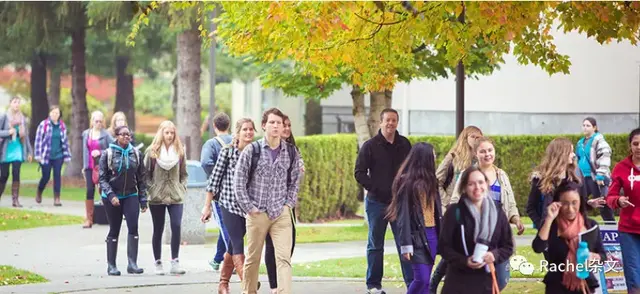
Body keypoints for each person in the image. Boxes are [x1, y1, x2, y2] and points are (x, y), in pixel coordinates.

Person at [234, 108, 302, 294]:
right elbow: (238, 181)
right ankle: (249, 291)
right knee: (253, 259)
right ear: (264, 125)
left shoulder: (291, 152)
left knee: (284, 259)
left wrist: (288, 204)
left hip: (281, 213)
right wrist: (249, 207)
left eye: (279, 123)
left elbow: (295, 180)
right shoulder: (252, 150)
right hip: (257, 213)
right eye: (272, 122)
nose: (275, 126)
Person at [449, 136, 525, 290]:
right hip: (475, 234)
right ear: (476, 154)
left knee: (502, 278)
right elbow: (455, 201)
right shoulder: (467, 174)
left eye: (490, 150)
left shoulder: (501, 175)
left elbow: (510, 202)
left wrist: (516, 220)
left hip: (499, 235)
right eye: (482, 151)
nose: (487, 154)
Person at [354, 108, 413, 293]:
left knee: (405, 244)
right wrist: (376, 188)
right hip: (376, 203)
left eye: (394, 120)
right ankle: (373, 285)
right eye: (387, 120)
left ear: (397, 122)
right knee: (375, 245)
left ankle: (412, 284)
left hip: (399, 203)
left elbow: (411, 170)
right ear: (381, 122)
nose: (390, 123)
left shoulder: (404, 144)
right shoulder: (370, 146)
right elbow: (359, 173)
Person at [201, 118, 257, 294]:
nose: (248, 132)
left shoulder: (256, 153)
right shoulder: (228, 152)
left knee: (232, 246)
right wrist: (207, 206)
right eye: (245, 129)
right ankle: (249, 285)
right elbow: (214, 181)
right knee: (238, 243)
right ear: (237, 133)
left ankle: (223, 283)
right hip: (228, 204)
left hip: (247, 207)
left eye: (251, 129)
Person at [437, 167, 514, 294]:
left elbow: (508, 246)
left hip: (485, 283)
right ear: (464, 188)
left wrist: (494, 255)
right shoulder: (454, 212)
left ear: (486, 184)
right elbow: (443, 247)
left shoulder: (497, 212)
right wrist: (464, 261)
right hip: (458, 283)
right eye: (471, 184)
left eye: (480, 182)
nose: (477, 187)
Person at [430, 125, 483, 294]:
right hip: (455, 210)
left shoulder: (482, 157)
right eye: (473, 136)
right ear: (465, 137)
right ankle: (434, 283)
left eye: (479, 137)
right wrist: (446, 201)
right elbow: (436, 180)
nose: (476, 140)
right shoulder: (454, 157)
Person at [386, 142, 442, 294]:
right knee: (421, 279)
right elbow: (402, 215)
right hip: (416, 237)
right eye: (433, 154)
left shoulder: (432, 181)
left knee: (425, 282)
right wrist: (406, 244)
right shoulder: (406, 182)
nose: (435, 157)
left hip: (432, 235)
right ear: (424, 158)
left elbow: (437, 212)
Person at [533, 182, 606, 294]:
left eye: (574, 203)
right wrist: (549, 218)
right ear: (558, 203)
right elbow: (538, 247)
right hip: (557, 285)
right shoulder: (552, 225)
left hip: (584, 284)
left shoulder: (590, 225)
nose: (570, 209)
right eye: (565, 203)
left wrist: (594, 257)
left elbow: (603, 256)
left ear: (580, 202)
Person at [99, 125, 147, 276]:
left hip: (131, 195)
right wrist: (111, 195)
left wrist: (143, 199)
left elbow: (141, 178)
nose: (127, 137)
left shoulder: (136, 154)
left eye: (129, 135)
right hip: (112, 197)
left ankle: (132, 264)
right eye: (123, 134)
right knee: (114, 229)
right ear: (117, 136)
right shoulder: (108, 154)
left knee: (133, 227)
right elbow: (102, 179)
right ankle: (111, 265)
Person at [264, 114, 305, 294]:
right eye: (282, 124)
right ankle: (275, 286)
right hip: (268, 206)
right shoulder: (266, 149)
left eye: (288, 125)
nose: (286, 128)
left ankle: (282, 283)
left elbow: (297, 177)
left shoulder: (292, 150)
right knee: (271, 245)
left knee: (289, 244)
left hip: (287, 206)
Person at [144, 121, 187, 275]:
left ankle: (175, 261)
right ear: (161, 133)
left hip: (176, 195)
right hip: (157, 196)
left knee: (176, 226)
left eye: (172, 133)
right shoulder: (152, 151)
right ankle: (157, 262)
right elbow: (146, 174)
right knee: (158, 228)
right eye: (167, 132)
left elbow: (184, 173)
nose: (169, 135)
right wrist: (151, 188)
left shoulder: (180, 151)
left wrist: (182, 187)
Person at [606, 127, 640, 294]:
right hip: (629, 230)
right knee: (633, 274)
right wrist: (618, 201)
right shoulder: (621, 168)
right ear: (630, 146)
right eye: (636, 143)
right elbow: (610, 197)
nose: (639, 147)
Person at [526, 138, 588, 230]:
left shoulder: (576, 176)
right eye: (570, 152)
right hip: (549, 235)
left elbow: (582, 205)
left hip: (572, 232)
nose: (574, 155)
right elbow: (531, 207)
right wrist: (542, 227)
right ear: (561, 154)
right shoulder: (540, 178)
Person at [200, 112, 233, 271]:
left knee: (225, 225)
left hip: (219, 193)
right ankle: (217, 259)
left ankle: (234, 259)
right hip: (234, 190)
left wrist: (216, 175)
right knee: (226, 225)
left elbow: (206, 162)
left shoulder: (211, 144)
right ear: (229, 125)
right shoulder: (236, 141)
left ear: (214, 126)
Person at [575, 117, 615, 222]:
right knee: (579, 200)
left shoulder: (599, 140)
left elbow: (605, 157)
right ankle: (578, 225)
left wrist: (600, 175)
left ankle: (611, 227)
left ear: (594, 127)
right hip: (583, 177)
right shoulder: (580, 143)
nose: (585, 128)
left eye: (588, 125)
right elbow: (577, 158)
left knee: (602, 203)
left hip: (596, 177)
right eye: (583, 125)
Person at [34, 105, 71, 206]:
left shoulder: (62, 126)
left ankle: (57, 198)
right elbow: (38, 140)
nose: (55, 115)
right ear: (50, 113)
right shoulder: (44, 125)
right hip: (46, 156)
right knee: (46, 176)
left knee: (57, 176)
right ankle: (39, 191)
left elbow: (65, 142)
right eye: (53, 113)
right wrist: (38, 156)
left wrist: (67, 156)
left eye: (57, 113)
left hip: (58, 156)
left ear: (59, 115)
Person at [82, 111, 113, 228]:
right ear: (92, 121)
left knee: (103, 190)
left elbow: (113, 148)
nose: (98, 123)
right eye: (96, 121)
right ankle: (89, 219)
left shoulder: (106, 135)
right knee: (90, 190)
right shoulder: (86, 134)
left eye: (100, 121)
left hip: (101, 166)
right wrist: (84, 167)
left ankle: (109, 216)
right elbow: (84, 151)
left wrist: (100, 152)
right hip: (89, 167)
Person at [0, 97, 33, 207]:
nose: (17, 104)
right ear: (10, 103)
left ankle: (15, 200)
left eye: (18, 102)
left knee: (16, 173)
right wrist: (8, 132)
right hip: (6, 150)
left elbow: (26, 136)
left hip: (18, 149)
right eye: (15, 102)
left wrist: (29, 152)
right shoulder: (4, 116)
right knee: (4, 175)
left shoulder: (22, 118)